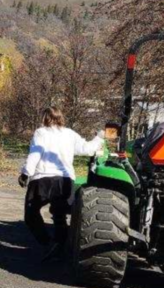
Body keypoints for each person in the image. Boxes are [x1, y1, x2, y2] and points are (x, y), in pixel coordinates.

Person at [19, 107, 105, 260]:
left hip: (43, 178)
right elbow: (87, 149)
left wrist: (26, 173)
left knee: (31, 214)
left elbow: (36, 153)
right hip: (65, 180)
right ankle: (59, 244)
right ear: (60, 118)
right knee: (59, 215)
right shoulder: (70, 134)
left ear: (45, 117)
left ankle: (46, 242)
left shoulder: (41, 132)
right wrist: (99, 137)